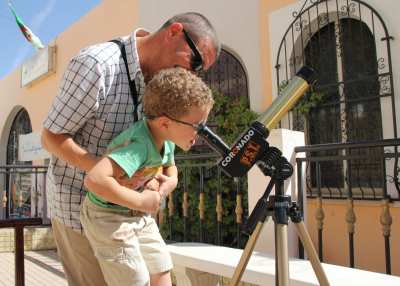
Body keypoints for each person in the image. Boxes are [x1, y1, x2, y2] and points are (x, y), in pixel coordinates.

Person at [41, 12, 220, 286]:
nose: (192, 73)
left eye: (200, 70)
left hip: (131, 214)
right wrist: (110, 172)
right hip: (79, 209)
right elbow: (51, 137)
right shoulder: (97, 65)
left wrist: (161, 179)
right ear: (174, 31)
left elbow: (162, 145)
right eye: (194, 61)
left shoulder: (166, 83)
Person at [81, 67, 214, 286]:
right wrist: (142, 201)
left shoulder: (166, 139)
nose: (201, 132)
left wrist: (170, 182)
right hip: (108, 217)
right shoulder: (139, 146)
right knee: (136, 279)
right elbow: (94, 179)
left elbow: (171, 168)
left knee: (162, 268)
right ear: (165, 122)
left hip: (137, 215)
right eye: (197, 126)